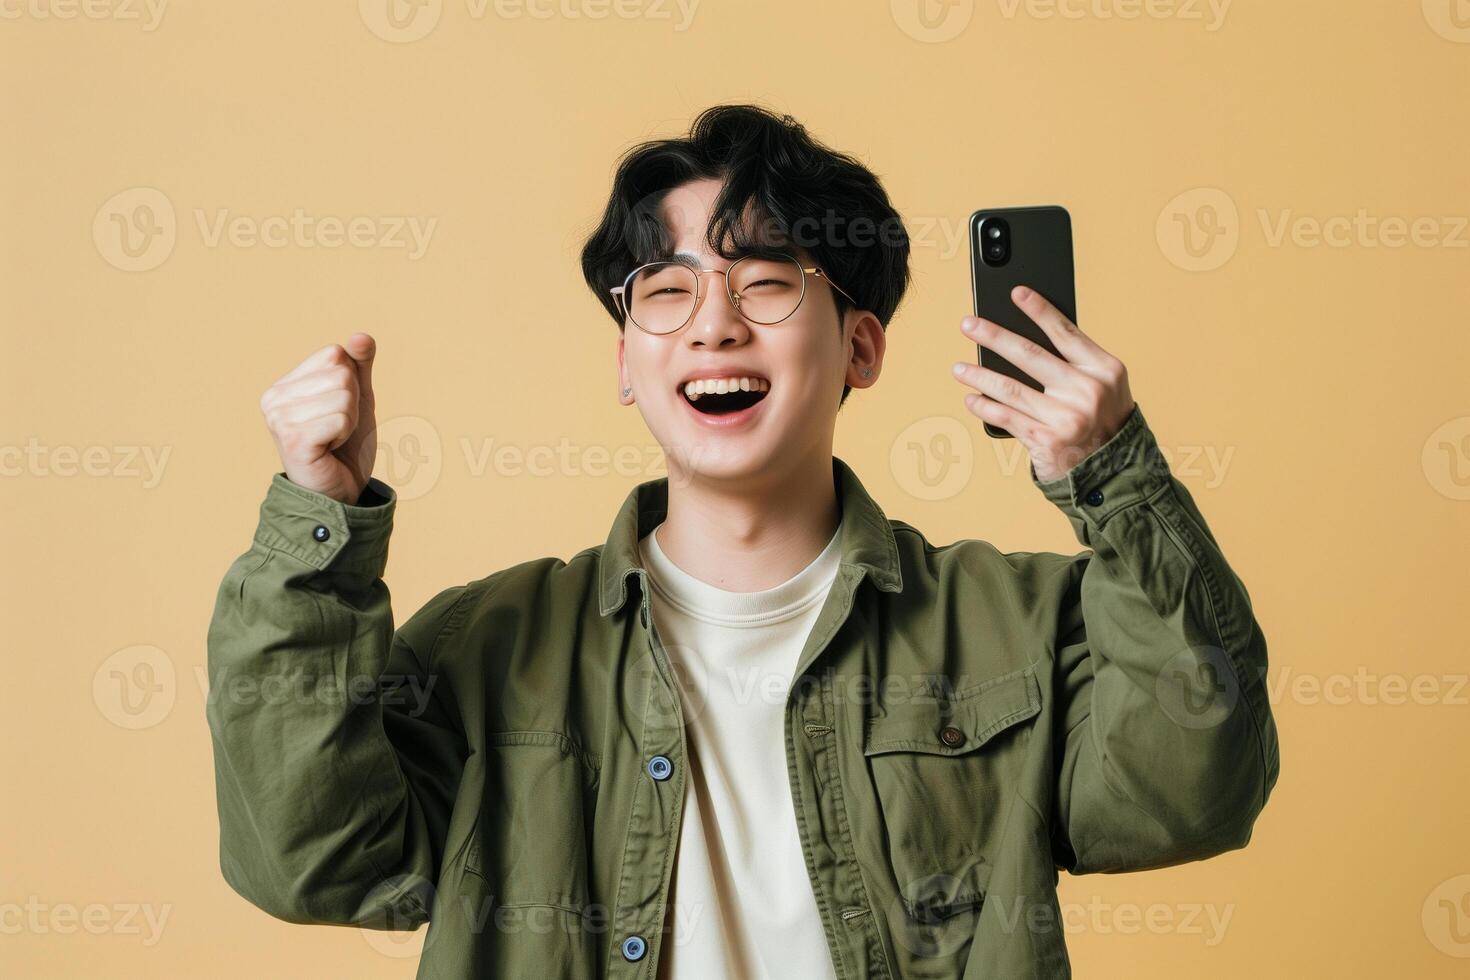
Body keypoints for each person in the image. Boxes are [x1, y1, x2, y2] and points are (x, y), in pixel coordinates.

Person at [206, 104, 1280, 979]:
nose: (714, 322)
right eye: (666, 291)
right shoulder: (492, 644)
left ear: (860, 346)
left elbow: (1193, 791)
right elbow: (311, 861)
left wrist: (1113, 472)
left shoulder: (1017, 625)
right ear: (627, 363)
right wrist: (321, 524)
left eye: (766, 280)